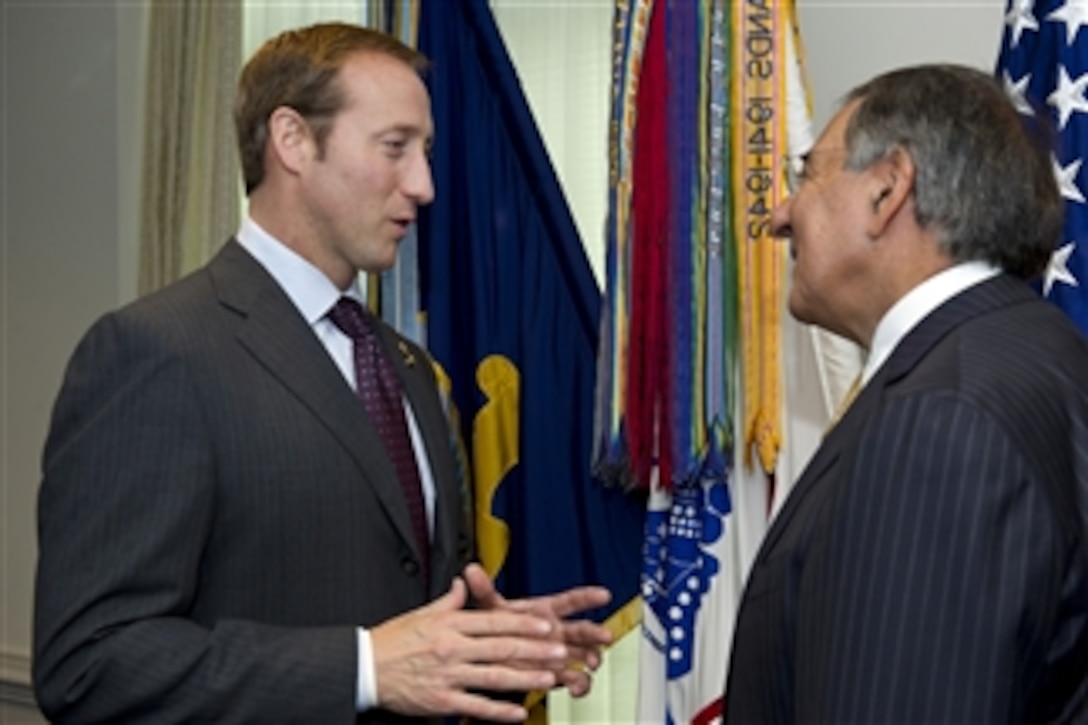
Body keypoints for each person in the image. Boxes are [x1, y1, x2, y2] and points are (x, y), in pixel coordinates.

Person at [33, 23, 612, 724]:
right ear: (293, 141)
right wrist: (363, 666)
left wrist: (492, 644)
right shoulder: (156, 352)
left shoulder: (409, 371)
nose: (424, 185)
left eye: (425, 152)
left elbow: (409, 614)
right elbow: (91, 662)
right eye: (395, 147)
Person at [724, 64, 1088, 723]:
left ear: (888, 188)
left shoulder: (940, 419)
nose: (780, 214)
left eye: (807, 175)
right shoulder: (1036, 354)